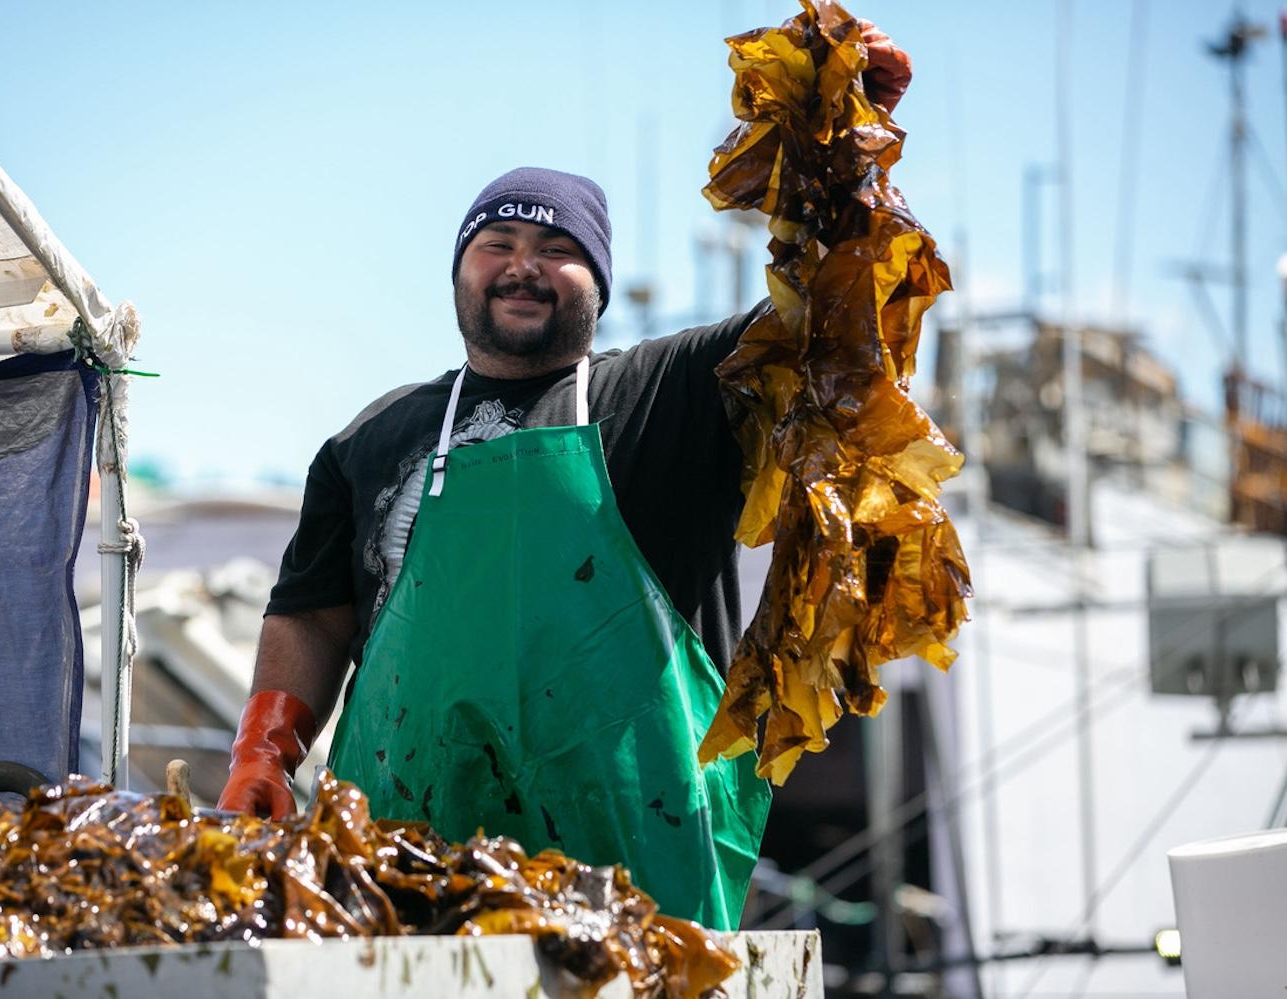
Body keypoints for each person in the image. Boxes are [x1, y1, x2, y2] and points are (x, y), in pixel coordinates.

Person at [217, 20, 914, 934]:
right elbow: (312, 611)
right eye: (494, 242)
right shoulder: (373, 438)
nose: (521, 265)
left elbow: (830, 318)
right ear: (460, 272)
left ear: (599, 281)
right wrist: (266, 746)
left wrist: (848, 159)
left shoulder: (678, 393)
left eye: (555, 247)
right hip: (405, 875)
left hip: (635, 880)